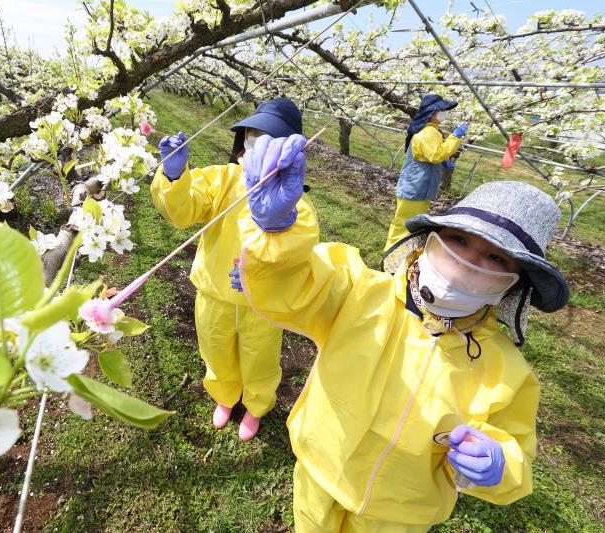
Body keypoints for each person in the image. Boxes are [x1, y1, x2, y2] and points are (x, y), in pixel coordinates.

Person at [230, 133, 570, 532]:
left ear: (513, 284)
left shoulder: (507, 373)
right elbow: (294, 288)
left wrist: (500, 466)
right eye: (458, 240)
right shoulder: (361, 292)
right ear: (430, 240)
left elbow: (516, 453)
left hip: (400, 514)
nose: (466, 263)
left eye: (494, 257)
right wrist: (277, 231)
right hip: (319, 471)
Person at [150, 98, 318, 441]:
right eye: (253, 132)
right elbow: (184, 212)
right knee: (215, 349)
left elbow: (300, 247)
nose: (257, 140)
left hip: (262, 303)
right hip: (214, 292)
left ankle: (256, 406)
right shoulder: (223, 179)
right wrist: (174, 175)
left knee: (261, 359)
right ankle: (225, 396)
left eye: (268, 135)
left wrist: (265, 257)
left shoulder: (295, 198)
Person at [384, 94, 469, 252]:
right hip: (415, 187)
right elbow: (435, 155)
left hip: (420, 187)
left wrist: (444, 161)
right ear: (433, 112)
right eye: (443, 110)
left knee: (411, 222)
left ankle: (403, 252)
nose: (446, 113)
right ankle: (392, 254)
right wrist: (454, 138)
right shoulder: (427, 133)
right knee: (404, 223)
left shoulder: (432, 131)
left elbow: (428, 154)